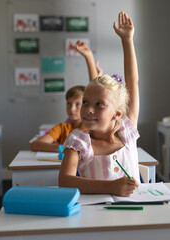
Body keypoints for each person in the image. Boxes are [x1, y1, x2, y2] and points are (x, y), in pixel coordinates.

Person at [58, 11, 140, 197]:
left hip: (135, 216)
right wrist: (110, 188)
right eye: (85, 102)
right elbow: (64, 181)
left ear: (118, 113)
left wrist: (127, 40)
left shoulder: (127, 131)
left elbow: (132, 81)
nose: (88, 109)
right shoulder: (78, 140)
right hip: (95, 218)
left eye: (99, 105)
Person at [30, 85, 88, 152]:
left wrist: (58, 146)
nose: (72, 109)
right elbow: (34, 145)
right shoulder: (62, 127)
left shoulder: (91, 128)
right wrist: (63, 147)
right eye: (69, 103)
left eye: (77, 104)